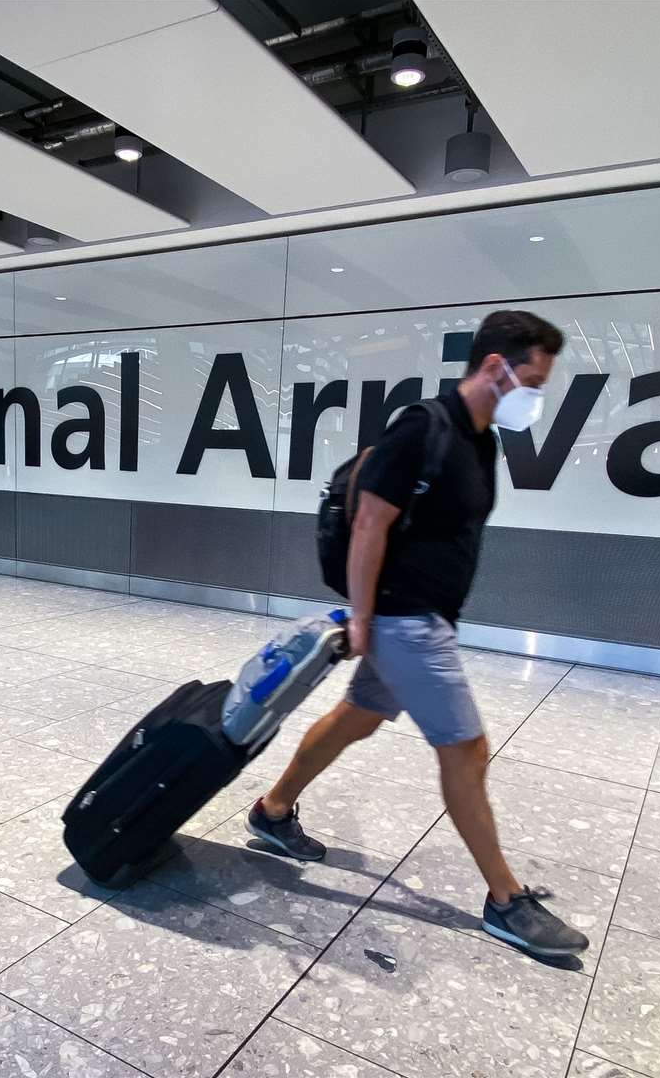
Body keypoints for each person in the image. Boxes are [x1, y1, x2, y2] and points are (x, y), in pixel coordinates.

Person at [247, 310, 589, 959]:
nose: (538, 395)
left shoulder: (481, 439)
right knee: (468, 751)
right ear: (496, 367)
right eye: (534, 380)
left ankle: (271, 811)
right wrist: (364, 619)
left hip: (422, 617)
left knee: (357, 718)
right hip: (404, 620)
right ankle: (504, 901)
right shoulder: (421, 426)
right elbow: (371, 522)